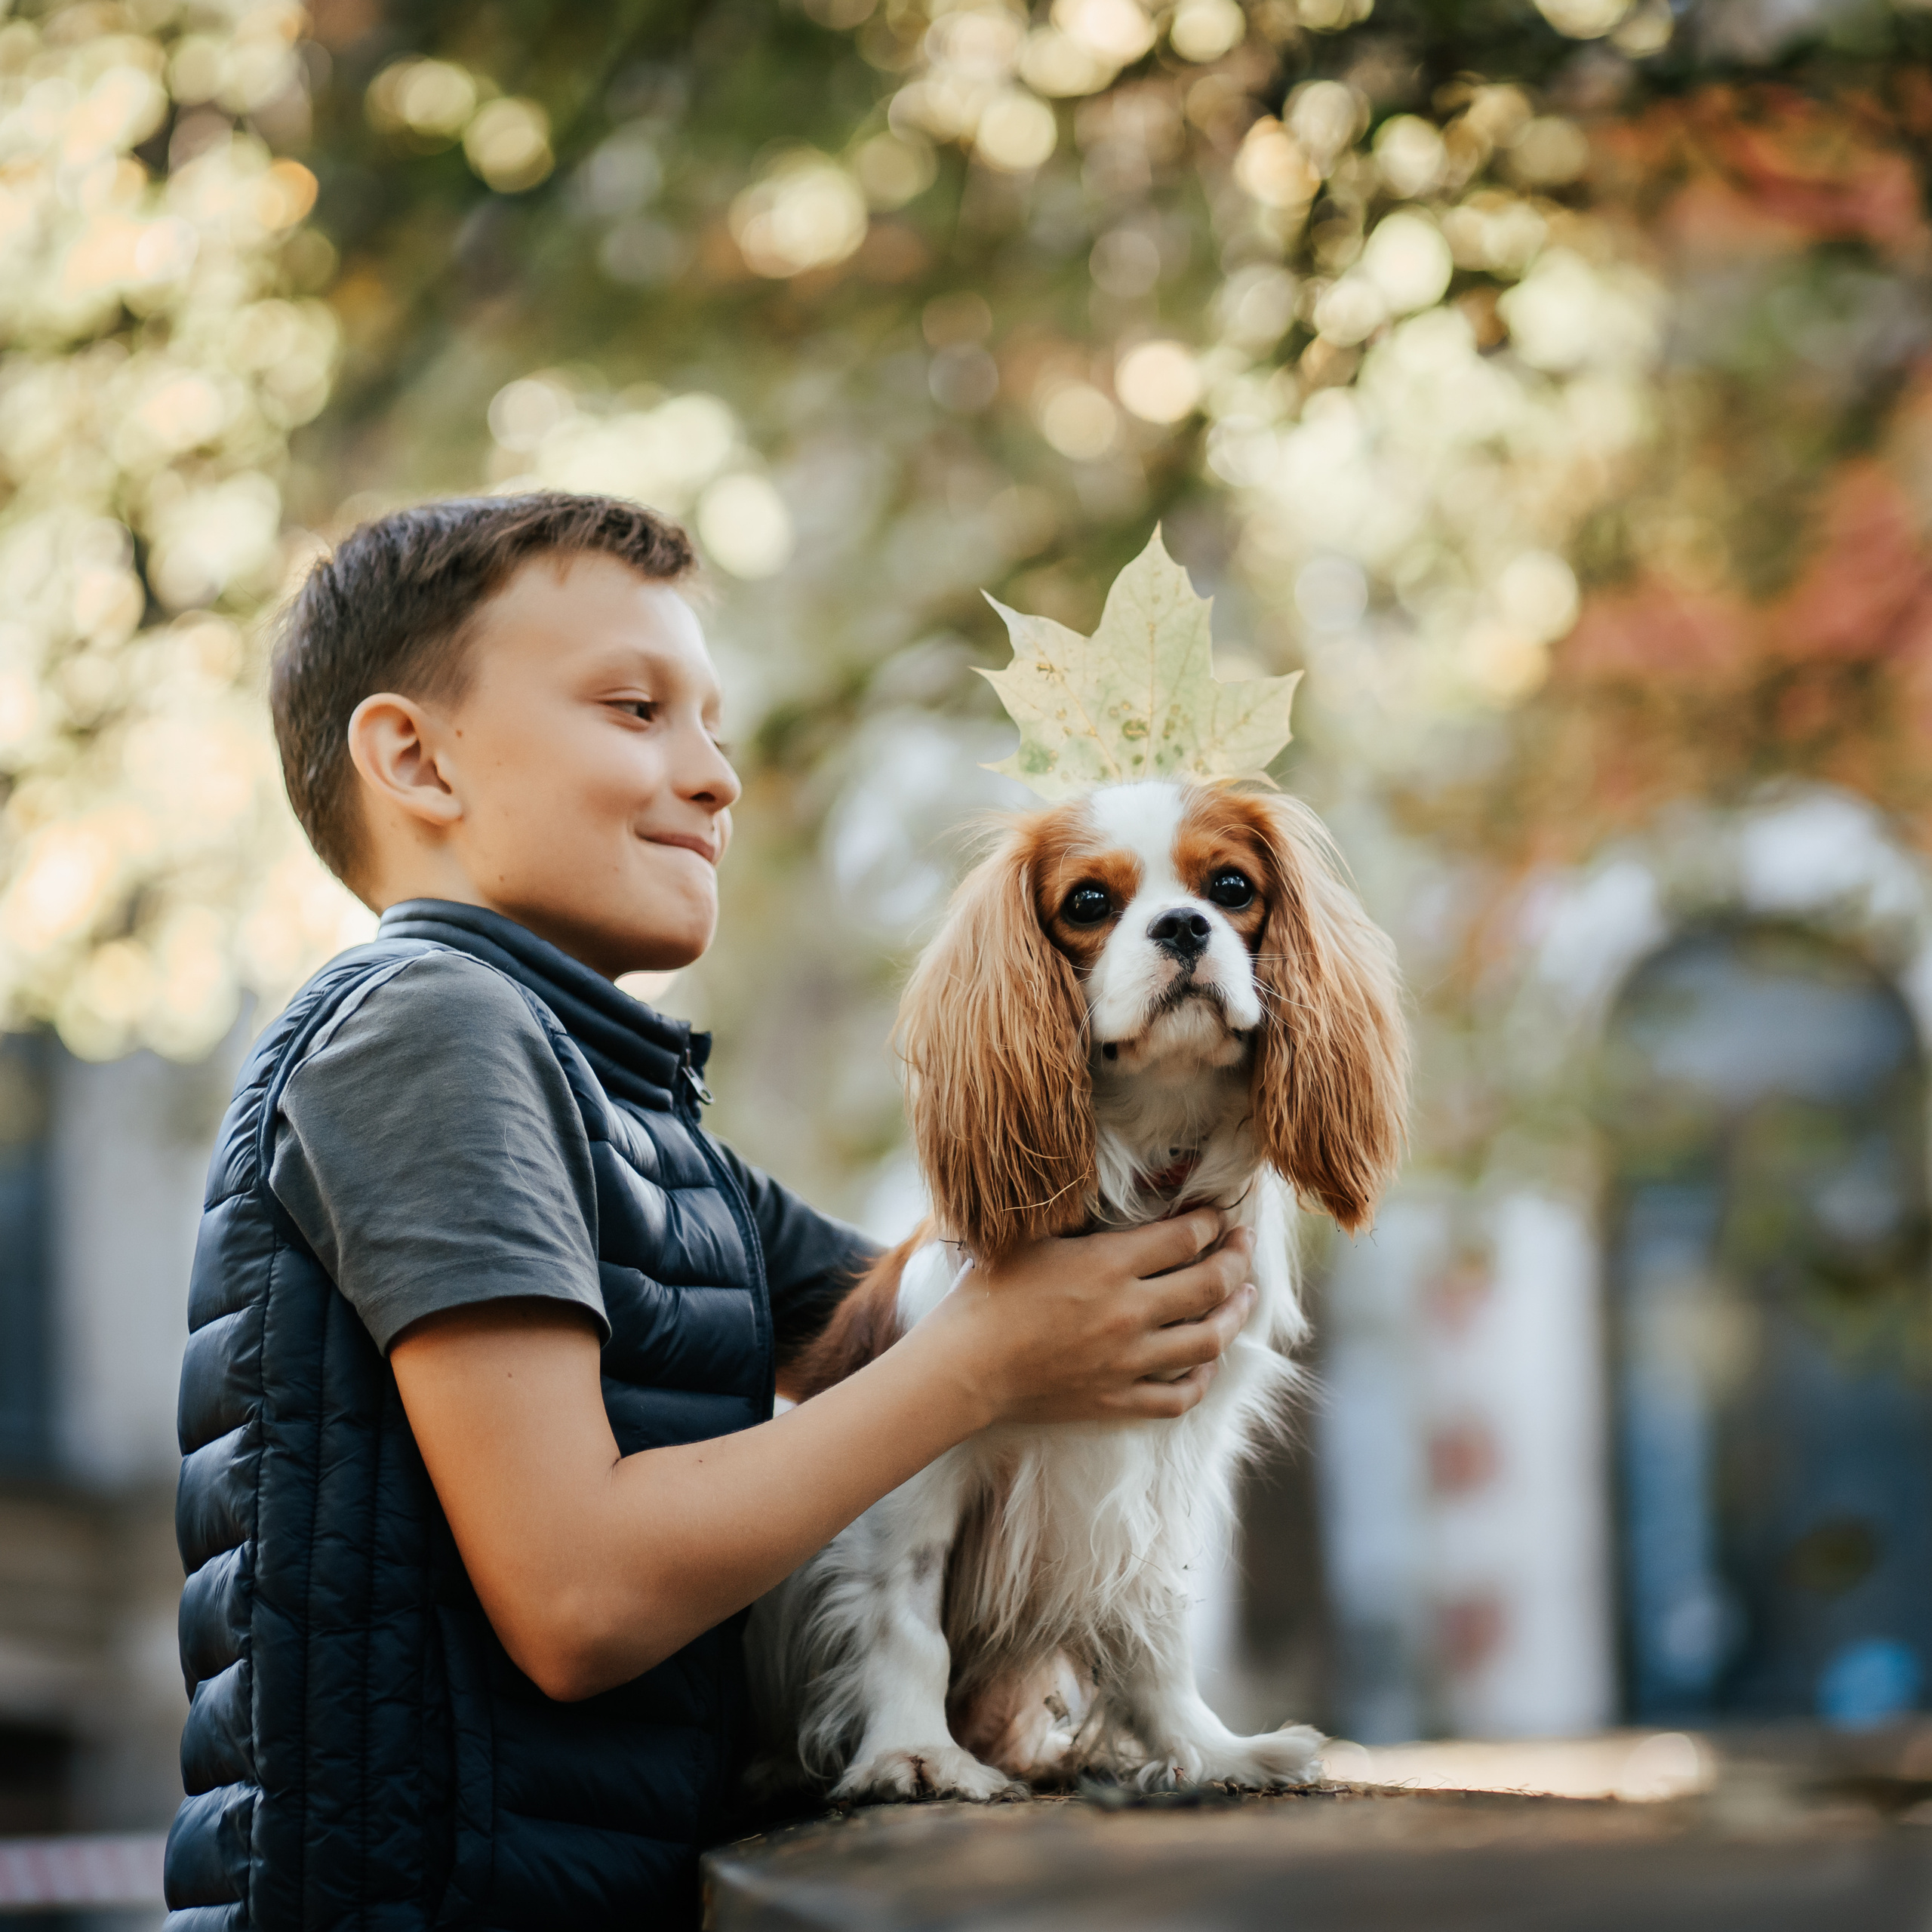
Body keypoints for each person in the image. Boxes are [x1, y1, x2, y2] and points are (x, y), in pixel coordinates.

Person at [165, 492, 1257, 1931]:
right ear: (416, 759)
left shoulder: (636, 1117)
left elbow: (924, 1311)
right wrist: (989, 1362)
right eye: (638, 711)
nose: (716, 777)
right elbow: (579, 1596)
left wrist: (1151, 1171)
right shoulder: (425, 1032)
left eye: (717, 728)